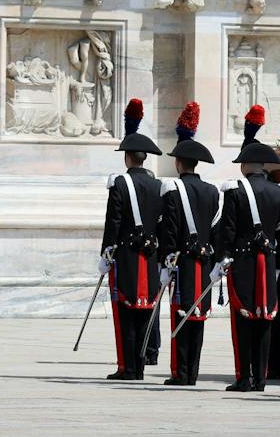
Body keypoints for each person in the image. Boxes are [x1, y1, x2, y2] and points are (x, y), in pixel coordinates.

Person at [214, 109, 280, 393]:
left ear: (246, 165)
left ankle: (243, 377)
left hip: (243, 262)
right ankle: (260, 377)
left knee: (243, 320)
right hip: (268, 263)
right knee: (265, 319)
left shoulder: (235, 191)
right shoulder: (279, 193)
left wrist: (221, 258)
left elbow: (228, 231)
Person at [99, 99, 164, 381]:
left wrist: (105, 253)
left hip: (125, 255)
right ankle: (141, 363)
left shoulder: (119, 183)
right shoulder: (158, 185)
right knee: (145, 310)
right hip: (149, 256)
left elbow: (113, 222)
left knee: (125, 312)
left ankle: (127, 367)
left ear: (127, 158)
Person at [156, 103, 219, 387]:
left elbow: (169, 231)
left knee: (180, 316)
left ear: (180, 163)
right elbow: (215, 229)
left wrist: (164, 263)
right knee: (198, 316)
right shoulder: (211, 191)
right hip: (204, 262)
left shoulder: (173, 189)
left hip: (181, 263)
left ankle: (181, 372)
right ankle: (192, 370)